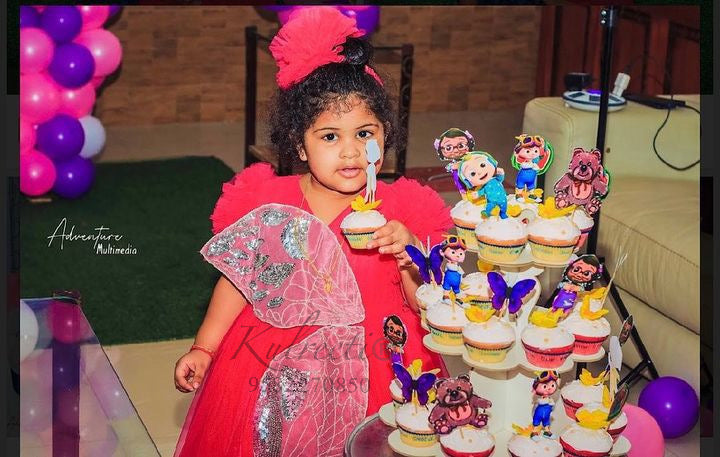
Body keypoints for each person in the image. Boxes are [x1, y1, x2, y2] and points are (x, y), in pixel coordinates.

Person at [173, 8, 452, 457]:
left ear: (385, 136)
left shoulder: (403, 209)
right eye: (329, 137)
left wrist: (411, 254)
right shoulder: (269, 202)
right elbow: (240, 283)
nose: (350, 152)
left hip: (378, 360)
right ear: (299, 146)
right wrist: (204, 348)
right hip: (274, 357)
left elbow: (426, 302)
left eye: (365, 133)